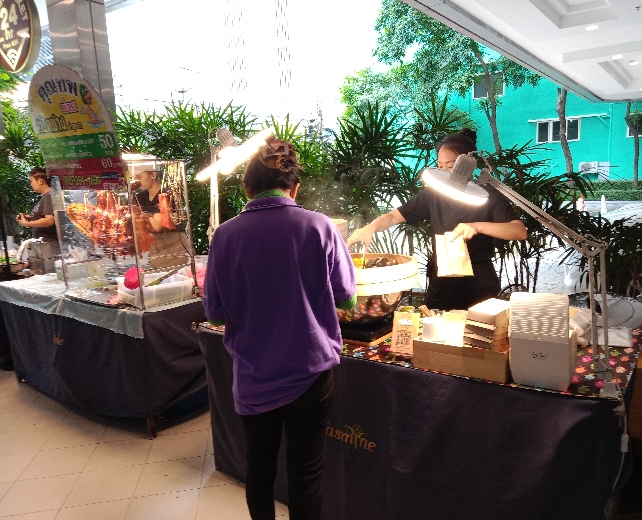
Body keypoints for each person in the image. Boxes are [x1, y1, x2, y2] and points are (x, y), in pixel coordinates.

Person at [202, 139, 356, 520]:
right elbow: (347, 300)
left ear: (247, 188)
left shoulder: (224, 236)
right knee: (306, 473)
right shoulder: (319, 227)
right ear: (294, 188)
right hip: (310, 374)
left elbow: (215, 316)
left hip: (254, 378)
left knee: (259, 471)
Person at [347, 128, 527, 310]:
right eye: (440, 166)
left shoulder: (488, 196)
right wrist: (370, 228)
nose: (445, 171)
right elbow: (394, 216)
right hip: (442, 282)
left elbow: (518, 231)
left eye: (451, 166)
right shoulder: (433, 195)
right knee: (436, 326)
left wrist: (477, 226)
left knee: (479, 327)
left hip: (479, 283)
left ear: (468, 165)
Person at [132, 169, 190, 268]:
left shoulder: (167, 195)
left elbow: (157, 226)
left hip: (175, 250)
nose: (136, 181)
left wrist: (138, 218)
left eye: (139, 177)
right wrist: (145, 218)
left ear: (153, 175)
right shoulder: (140, 197)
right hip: (156, 251)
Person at [16, 167, 58, 242]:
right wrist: (30, 218)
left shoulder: (48, 197)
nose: (31, 184)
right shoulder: (46, 196)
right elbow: (44, 217)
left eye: (32, 181)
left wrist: (27, 223)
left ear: (40, 181)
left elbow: (50, 220)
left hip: (49, 242)